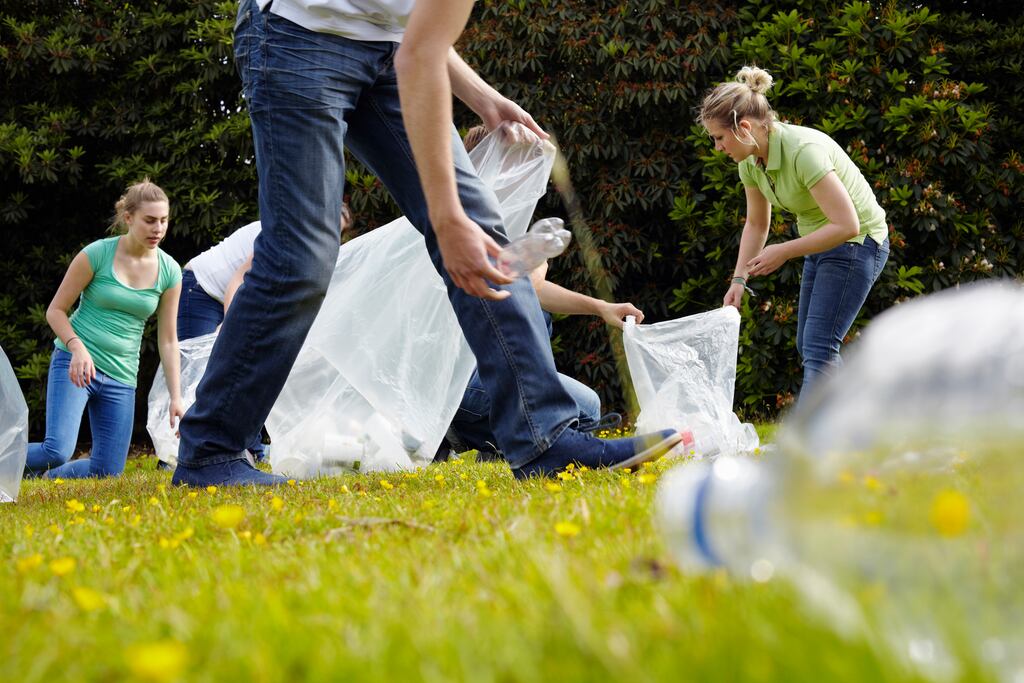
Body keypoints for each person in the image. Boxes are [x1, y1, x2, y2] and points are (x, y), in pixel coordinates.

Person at [171, 0, 681, 486]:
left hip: (390, 50)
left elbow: (418, 33)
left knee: (484, 235)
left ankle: (543, 439)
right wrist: (446, 218)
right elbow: (420, 56)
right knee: (302, 258)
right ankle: (211, 450)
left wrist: (482, 97)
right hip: (296, 35)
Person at [441, 125, 642, 460]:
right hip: (457, 382)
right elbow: (523, 287)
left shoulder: (500, 219)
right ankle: (465, 431)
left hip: (475, 374)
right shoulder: (464, 224)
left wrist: (601, 307)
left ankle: (495, 440)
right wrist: (534, 260)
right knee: (584, 409)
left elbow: (536, 290)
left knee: (585, 403)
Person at [700, 66, 889, 403]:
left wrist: (784, 250)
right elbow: (757, 224)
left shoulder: (804, 151)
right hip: (822, 241)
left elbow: (848, 225)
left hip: (859, 242)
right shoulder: (750, 160)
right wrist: (738, 280)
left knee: (819, 345)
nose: (717, 148)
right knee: (810, 344)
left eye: (718, 137)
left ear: (743, 128)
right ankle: (850, 424)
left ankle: (812, 444)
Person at [24, 180, 183, 479]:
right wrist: (76, 347)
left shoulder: (170, 271)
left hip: (121, 375)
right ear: (128, 218)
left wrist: (176, 397)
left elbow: (169, 341)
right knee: (56, 450)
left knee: (107, 471)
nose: (158, 229)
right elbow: (55, 311)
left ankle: (46, 477)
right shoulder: (96, 254)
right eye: (149, 220)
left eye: (163, 220)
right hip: (76, 364)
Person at [174, 205, 352, 463]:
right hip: (201, 287)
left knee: (250, 369)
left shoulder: (311, 248)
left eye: (339, 231)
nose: (332, 233)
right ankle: (181, 452)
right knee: (200, 372)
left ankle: (251, 450)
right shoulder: (281, 229)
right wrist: (231, 323)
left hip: (232, 294)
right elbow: (238, 280)